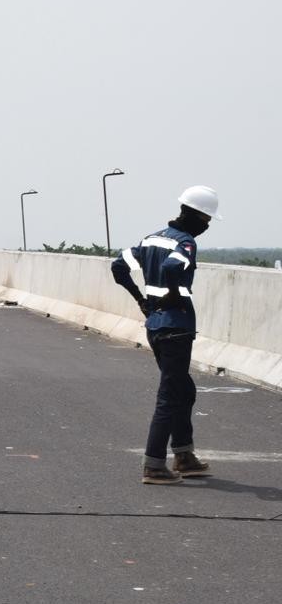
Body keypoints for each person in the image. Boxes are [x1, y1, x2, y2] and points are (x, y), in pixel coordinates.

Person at [111, 185, 220, 485]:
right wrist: (172, 294)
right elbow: (173, 268)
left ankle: (184, 455)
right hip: (175, 327)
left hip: (156, 326)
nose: (207, 227)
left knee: (184, 391)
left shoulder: (151, 239)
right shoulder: (184, 243)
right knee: (171, 395)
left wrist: (141, 300)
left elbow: (119, 267)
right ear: (197, 216)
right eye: (207, 221)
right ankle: (154, 464)